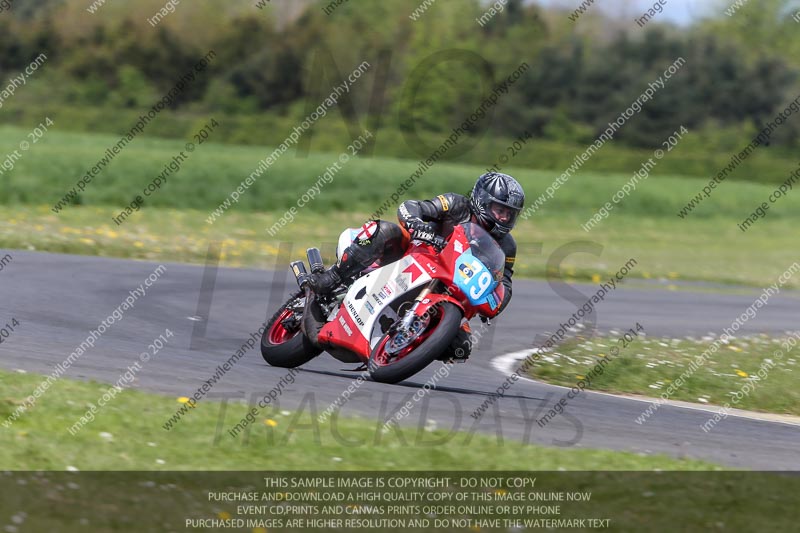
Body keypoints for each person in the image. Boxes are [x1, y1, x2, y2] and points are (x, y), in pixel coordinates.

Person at [307, 172, 525, 360]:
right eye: (500, 210)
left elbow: (504, 280)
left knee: (461, 347)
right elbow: (412, 207)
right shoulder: (457, 205)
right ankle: (332, 278)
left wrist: (496, 302)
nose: (504, 218)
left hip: (453, 287)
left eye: (510, 214)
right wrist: (417, 225)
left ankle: (402, 348)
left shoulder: (507, 246)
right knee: (384, 231)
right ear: (482, 201)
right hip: (417, 253)